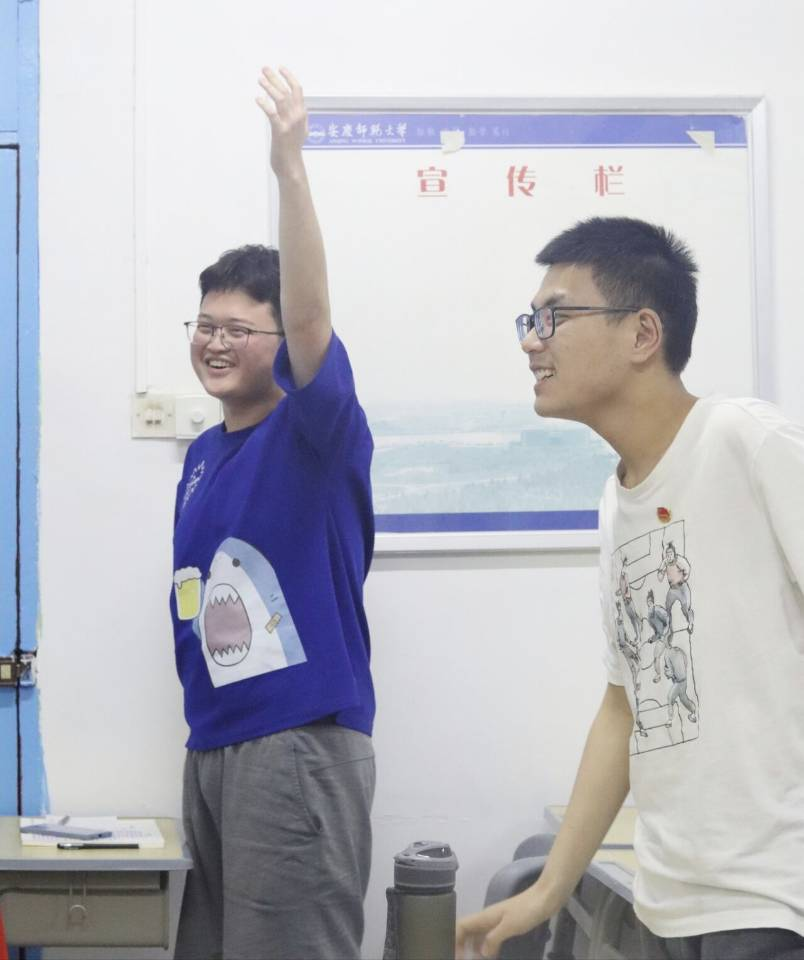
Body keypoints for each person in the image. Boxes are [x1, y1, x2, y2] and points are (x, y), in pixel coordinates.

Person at [456, 217, 804, 960]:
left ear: (643, 333)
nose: (531, 341)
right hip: (669, 902)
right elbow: (624, 709)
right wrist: (546, 892)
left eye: (554, 317)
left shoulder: (745, 441)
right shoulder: (617, 501)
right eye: (530, 320)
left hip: (775, 900)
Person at [170, 66, 376, 960]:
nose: (214, 342)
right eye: (204, 324)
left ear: (280, 342)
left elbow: (313, 317)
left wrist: (290, 168)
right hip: (214, 745)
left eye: (238, 329)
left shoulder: (313, 429)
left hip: (294, 747)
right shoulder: (201, 455)